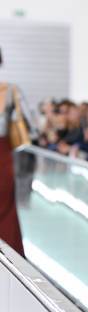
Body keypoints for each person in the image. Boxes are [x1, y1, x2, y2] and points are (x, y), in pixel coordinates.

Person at [0, 48, 34, 257]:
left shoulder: (11, 91)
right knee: (6, 209)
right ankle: (10, 262)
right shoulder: (11, 91)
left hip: (4, 157)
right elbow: (31, 127)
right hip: (4, 157)